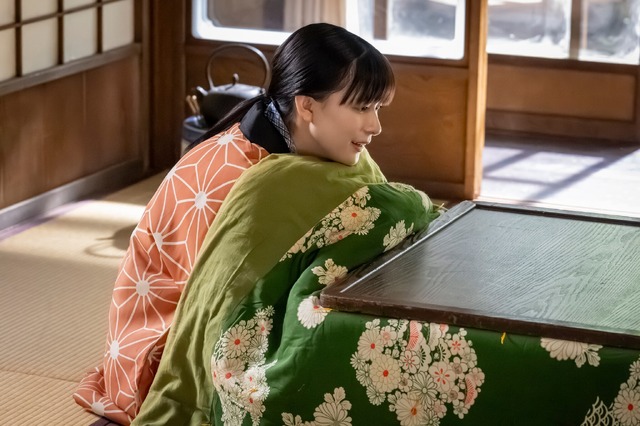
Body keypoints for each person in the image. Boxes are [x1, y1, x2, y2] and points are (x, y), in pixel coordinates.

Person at [75, 22, 443, 425]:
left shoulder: (319, 149)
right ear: (307, 106)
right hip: (164, 351)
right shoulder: (238, 175)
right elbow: (214, 304)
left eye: (377, 109)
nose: (375, 126)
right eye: (361, 108)